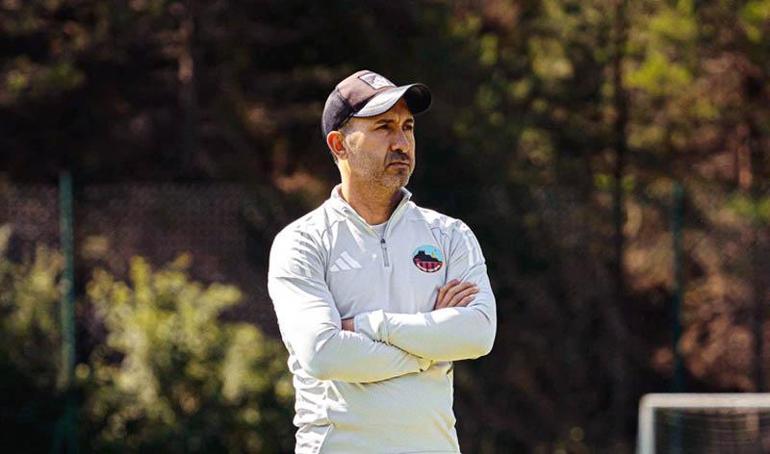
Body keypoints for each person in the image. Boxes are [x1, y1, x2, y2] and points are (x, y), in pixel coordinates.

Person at [267, 70, 497, 454]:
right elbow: (323, 353)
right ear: (339, 144)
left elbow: (478, 334)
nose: (401, 142)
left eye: (407, 127)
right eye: (384, 127)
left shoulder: (450, 235)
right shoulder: (302, 242)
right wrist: (428, 348)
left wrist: (369, 326)